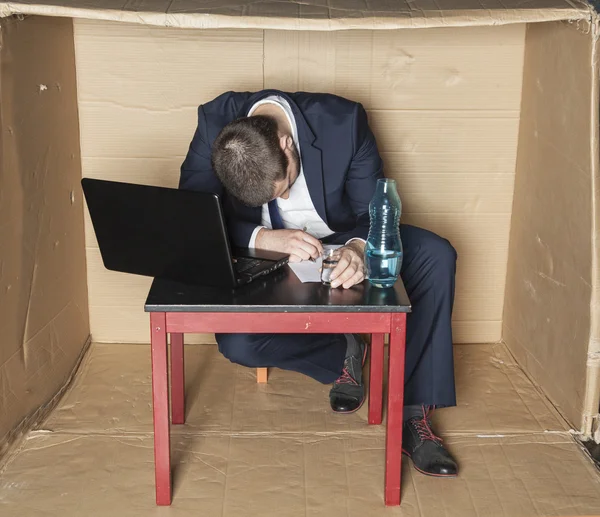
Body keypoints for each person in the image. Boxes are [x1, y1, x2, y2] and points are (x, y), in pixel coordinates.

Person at [180, 90, 459, 477]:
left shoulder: (343, 122)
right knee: (237, 342)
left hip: (345, 235)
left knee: (436, 254)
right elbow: (192, 213)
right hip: (269, 249)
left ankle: (413, 411)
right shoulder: (215, 122)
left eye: (286, 182)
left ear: (286, 143)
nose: (289, 196)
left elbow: (370, 210)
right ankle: (343, 351)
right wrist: (262, 238)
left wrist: (358, 248)